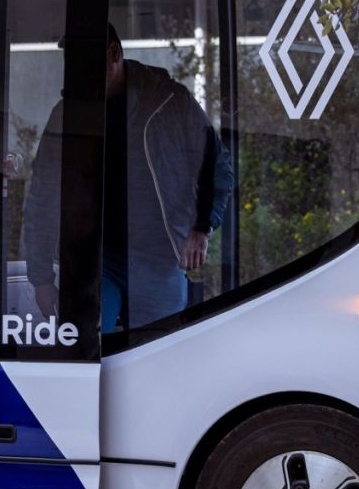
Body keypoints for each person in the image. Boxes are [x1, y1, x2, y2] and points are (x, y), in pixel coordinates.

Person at [26, 23, 232, 332]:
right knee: (90, 347)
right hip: (95, 260)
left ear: (113, 53)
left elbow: (218, 168)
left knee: (157, 355)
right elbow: (43, 194)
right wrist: (41, 278)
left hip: (159, 258)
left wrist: (201, 228)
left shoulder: (170, 102)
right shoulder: (67, 114)